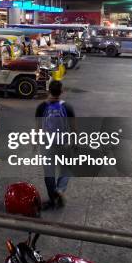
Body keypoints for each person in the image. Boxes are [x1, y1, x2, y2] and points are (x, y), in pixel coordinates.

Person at [35, 80, 75, 210]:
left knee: (49, 173)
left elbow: (38, 128)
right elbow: (73, 128)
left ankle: (53, 199)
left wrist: (35, 143)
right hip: (63, 143)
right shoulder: (67, 107)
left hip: (47, 143)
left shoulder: (41, 107)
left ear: (48, 90)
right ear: (61, 92)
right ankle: (60, 189)